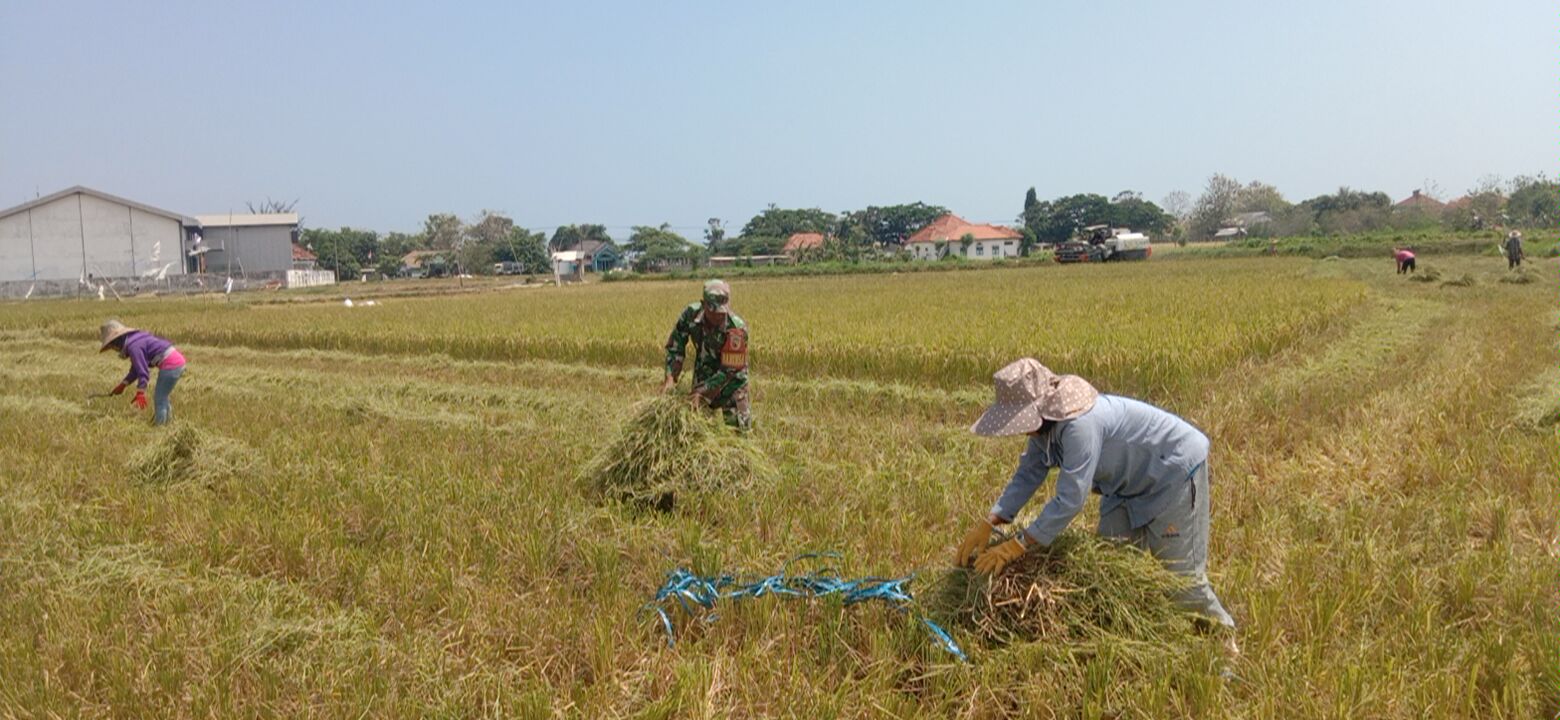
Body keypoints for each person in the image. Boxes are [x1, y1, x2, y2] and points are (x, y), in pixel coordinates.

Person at [953, 358, 1237, 648]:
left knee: (1182, 579)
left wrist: (1018, 545)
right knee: (1112, 564)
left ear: (1038, 407)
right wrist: (992, 519)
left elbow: (1070, 499)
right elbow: (1029, 472)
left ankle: (1225, 642)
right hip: (1122, 487)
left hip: (1170, 474)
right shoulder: (1044, 429)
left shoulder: (1078, 425)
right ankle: (1135, 639)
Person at [661, 280, 750, 428]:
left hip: (731, 384)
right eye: (713, 312)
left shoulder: (736, 330)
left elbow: (728, 371)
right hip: (704, 374)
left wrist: (702, 392)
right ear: (703, 305)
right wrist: (670, 378)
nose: (717, 317)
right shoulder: (690, 315)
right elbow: (675, 347)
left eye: (721, 313)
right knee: (697, 429)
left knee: (739, 433)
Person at [99, 319, 186, 425]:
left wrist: (141, 392)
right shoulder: (135, 339)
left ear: (117, 342)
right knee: (163, 396)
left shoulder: (134, 346)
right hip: (177, 361)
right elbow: (135, 369)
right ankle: (168, 423)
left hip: (171, 365)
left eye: (113, 346)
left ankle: (160, 427)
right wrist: (123, 384)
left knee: (160, 398)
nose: (115, 349)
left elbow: (142, 371)